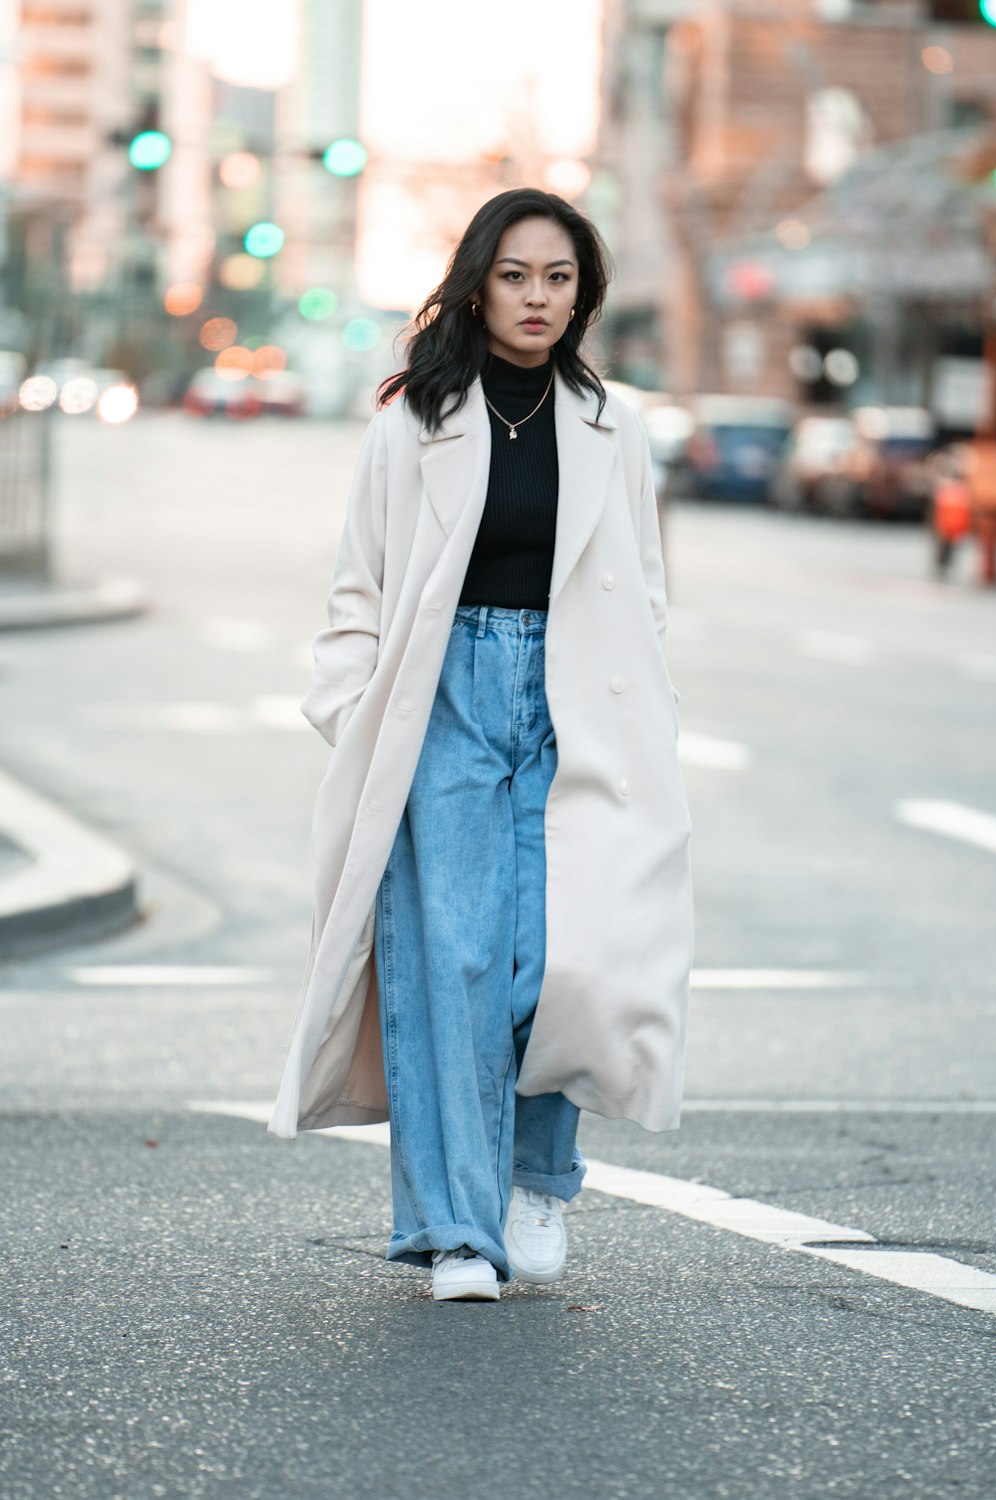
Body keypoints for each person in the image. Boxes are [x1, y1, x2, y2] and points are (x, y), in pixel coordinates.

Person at [268, 188, 695, 1303]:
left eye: (557, 278)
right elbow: (357, 588)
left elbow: (643, 592)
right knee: (449, 962)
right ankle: (456, 1232)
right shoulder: (412, 419)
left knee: (563, 957)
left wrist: (651, 712)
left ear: (582, 293)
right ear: (477, 281)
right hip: (442, 696)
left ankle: (535, 1175)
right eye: (515, 276)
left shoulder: (614, 425)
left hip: (574, 698)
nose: (537, 297)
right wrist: (351, 710)